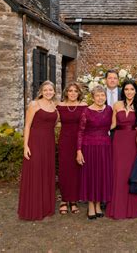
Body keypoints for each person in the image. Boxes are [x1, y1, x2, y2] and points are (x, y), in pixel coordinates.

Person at [18, 81, 58, 220]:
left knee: (46, 173)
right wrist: (26, 146)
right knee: (35, 173)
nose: (48, 92)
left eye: (50, 90)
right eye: (45, 90)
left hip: (49, 143)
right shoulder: (34, 105)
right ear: (41, 91)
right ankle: (32, 209)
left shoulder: (55, 106)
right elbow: (27, 126)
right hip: (35, 142)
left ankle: (45, 207)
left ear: (54, 91)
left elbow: (55, 124)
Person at [106, 79, 137, 219]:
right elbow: (112, 125)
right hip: (118, 140)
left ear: (136, 91)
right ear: (123, 91)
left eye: (132, 89)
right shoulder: (116, 105)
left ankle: (132, 208)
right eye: (126, 89)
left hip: (133, 141)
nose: (129, 92)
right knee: (118, 172)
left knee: (130, 172)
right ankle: (118, 207)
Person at [76, 85, 113, 220]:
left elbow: (113, 125)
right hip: (89, 147)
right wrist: (79, 151)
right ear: (93, 97)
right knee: (91, 175)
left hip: (105, 147)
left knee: (101, 175)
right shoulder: (86, 111)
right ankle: (91, 205)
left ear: (105, 97)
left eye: (102, 95)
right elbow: (80, 131)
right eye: (97, 95)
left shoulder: (109, 110)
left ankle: (98, 204)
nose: (100, 98)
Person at [56, 82, 87, 215]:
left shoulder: (84, 106)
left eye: (75, 91)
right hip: (65, 140)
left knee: (76, 169)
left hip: (80, 141)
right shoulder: (59, 106)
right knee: (64, 169)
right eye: (70, 91)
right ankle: (64, 199)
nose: (73, 93)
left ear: (79, 93)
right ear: (66, 93)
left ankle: (73, 200)